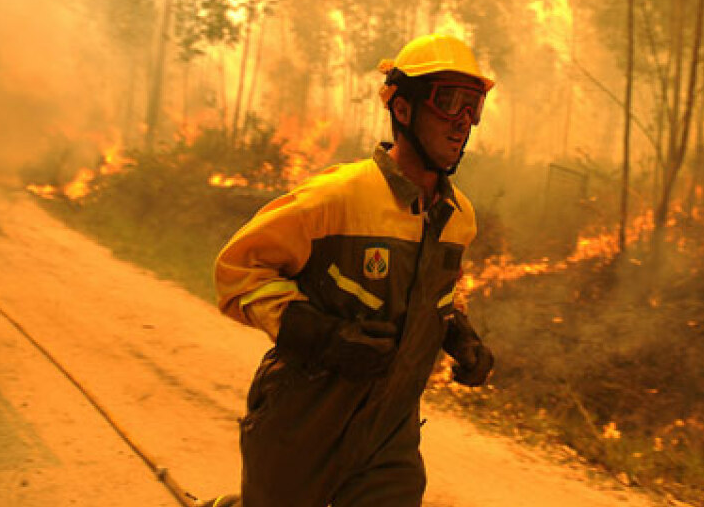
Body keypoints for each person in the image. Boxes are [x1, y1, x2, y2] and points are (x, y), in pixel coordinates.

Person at [207, 33, 496, 507]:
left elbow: (441, 290)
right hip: (302, 423)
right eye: (448, 103)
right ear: (402, 109)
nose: (463, 123)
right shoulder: (336, 198)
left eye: (474, 106)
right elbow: (237, 271)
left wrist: (459, 333)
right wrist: (322, 338)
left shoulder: (458, 218)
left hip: (389, 436)